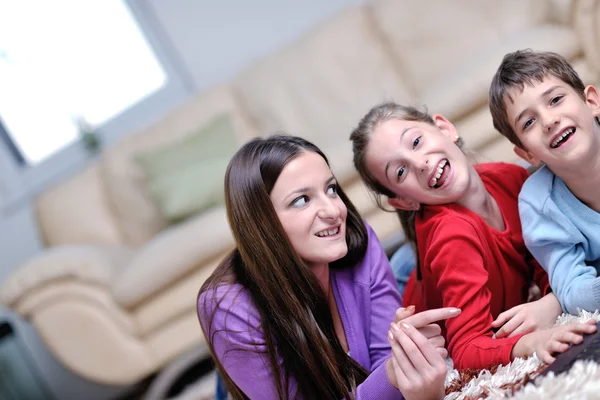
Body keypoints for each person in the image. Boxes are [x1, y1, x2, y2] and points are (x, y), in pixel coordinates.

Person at [197, 135, 460, 400]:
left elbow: (386, 365)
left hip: (343, 364)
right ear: (263, 224)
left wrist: (403, 358)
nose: (333, 210)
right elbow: (389, 377)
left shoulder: (357, 238)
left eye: (331, 189)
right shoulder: (229, 310)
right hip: (253, 359)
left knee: (408, 262)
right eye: (301, 200)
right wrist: (394, 374)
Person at [349, 102, 597, 370]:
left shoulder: (512, 179)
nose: (419, 163)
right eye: (400, 172)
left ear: (445, 128)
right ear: (403, 201)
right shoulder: (452, 237)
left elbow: (551, 265)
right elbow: (466, 349)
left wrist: (552, 301)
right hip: (409, 289)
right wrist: (530, 343)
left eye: (416, 141)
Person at [489, 49, 600, 315]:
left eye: (556, 99)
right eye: (529, 122)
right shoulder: (539, 202)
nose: (549, 121)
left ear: (592, 102)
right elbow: (572, 292)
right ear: (528, 154)